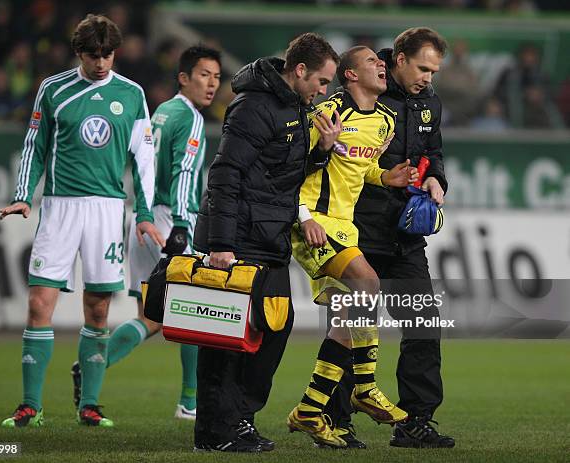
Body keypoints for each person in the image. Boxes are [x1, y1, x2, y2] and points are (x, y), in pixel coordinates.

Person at [0, 14, 163, 428]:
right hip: (59, 207)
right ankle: (30, 406)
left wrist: (143, 214)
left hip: (107, 211)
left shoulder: (131, 94)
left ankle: (89, 405)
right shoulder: (53, 89)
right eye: (93, 56)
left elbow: (144, 159)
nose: (102, 63)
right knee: (39, 303)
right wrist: (23, 196)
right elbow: (35, 145)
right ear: (79, 53)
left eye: (108, 54)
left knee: (98, 309)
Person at [191, 32, 339, 452]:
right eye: (322, 81)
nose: (325, 91)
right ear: (299, 70)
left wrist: (321, 152)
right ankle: (217, 431)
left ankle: (238, 421)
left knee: (273, 329)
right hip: (239, 240)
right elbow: (225, 174)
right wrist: (221, 244)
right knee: (227, 340)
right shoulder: (254, 106)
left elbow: (279, 174)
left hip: (269, 237)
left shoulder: (294, 105)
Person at [70, 45, 222, 421]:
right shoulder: (190, 118)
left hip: (142, 220)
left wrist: (143, 213)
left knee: (151, 316)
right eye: (204, 74)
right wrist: (185, 228)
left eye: (217, 77)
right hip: (171, 222)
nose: (212, 84)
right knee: (196, 313)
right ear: (183, 78)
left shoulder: (162, 113)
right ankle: (190, 401)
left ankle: (92, 366)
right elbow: (185, 174)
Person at [325, 27, 455, 449]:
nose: (428, 78)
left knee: (422, 325)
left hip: (404, 235)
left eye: (434, 71)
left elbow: (432, 152)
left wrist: (436, 179)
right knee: (351, 326)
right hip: (357, 230)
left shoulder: (429, 102)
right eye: (422, 68)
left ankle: (415, 420)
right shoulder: (365, 89)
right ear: (399, 59)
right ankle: (336, 422)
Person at [286, 45, 418, 449]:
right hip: (314, 223)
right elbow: (290, 170)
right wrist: (304, 216)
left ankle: (310, 409)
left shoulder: (384, 121)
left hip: (346, 226)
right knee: (368, 282)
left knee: (348, 317)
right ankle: (364, 386)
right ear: (350, 76)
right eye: (371, 63)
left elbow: (359, 169)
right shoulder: (326, 115)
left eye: (381, 62)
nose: (382, 64)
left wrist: (384, 177)